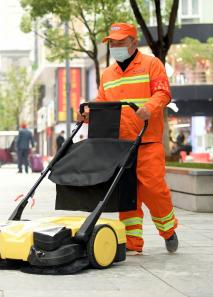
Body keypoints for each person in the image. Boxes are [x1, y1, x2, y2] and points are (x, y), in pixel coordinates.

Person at [80, 23, 178, 254]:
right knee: (127, 193)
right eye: (112, 43)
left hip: (148, 139)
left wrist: (149, 107)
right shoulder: (108, 74)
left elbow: (163, 93)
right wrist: (88, 112)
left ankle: (168, 229)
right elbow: (103, 100)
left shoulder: (151, 64)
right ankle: (132, 242)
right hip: (121, 144)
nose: (115, 46)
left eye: (120, 42)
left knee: (154, 187)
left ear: (134, 42)